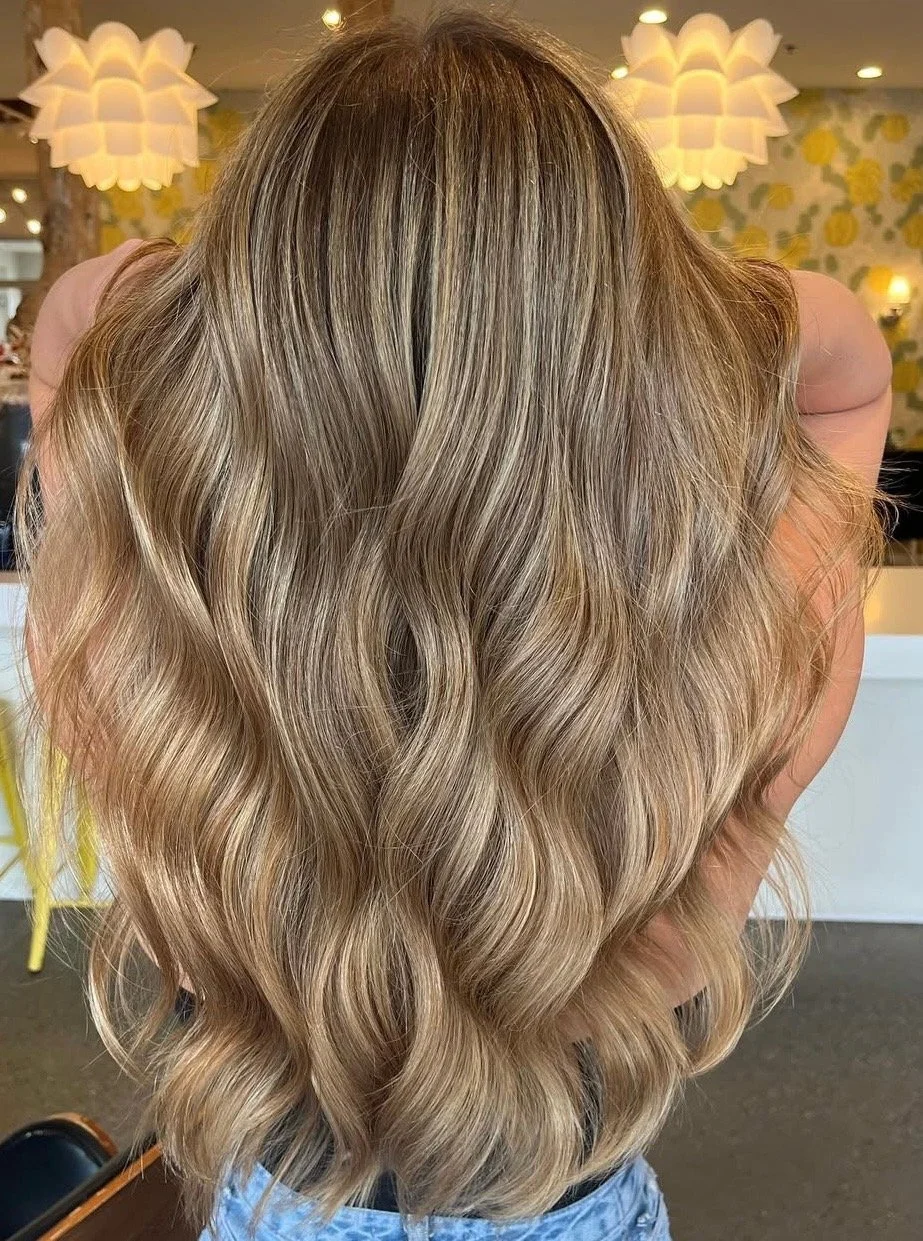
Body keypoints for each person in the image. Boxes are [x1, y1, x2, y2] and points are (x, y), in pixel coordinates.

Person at [20, 10, 891, 1241]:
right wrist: (711, 308)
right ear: (639, 339)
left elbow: (67, 330)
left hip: (273, 1210)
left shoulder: (149, 640)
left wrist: (201, 294)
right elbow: (849, 370)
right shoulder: (738, 662)